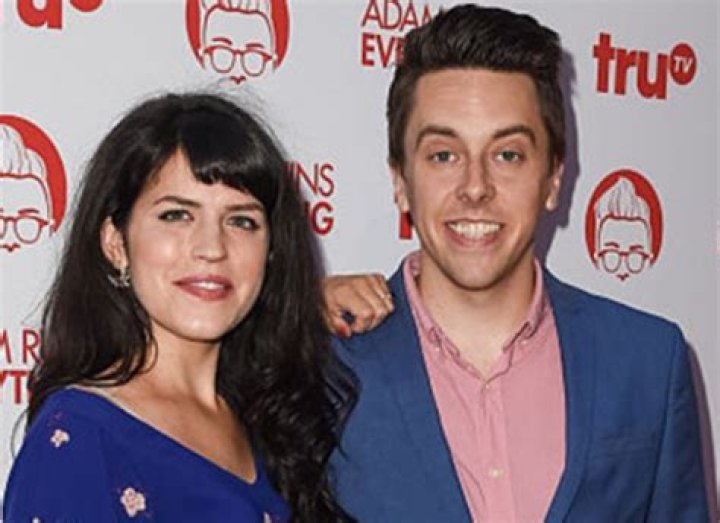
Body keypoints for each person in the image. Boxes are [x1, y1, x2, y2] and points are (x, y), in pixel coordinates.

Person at [326, 5, 710, 522]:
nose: (475, 187)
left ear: (553, 178)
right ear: (400, 180)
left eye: (507, 154)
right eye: (443, 155)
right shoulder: (320, 365)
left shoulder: (647, 362)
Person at [3, 92, 356, 522]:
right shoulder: (80, 437)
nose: (212, 247)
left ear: (271, 252)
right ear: (116, 243)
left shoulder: (278, 421)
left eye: (241, 221)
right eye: (176, 215)